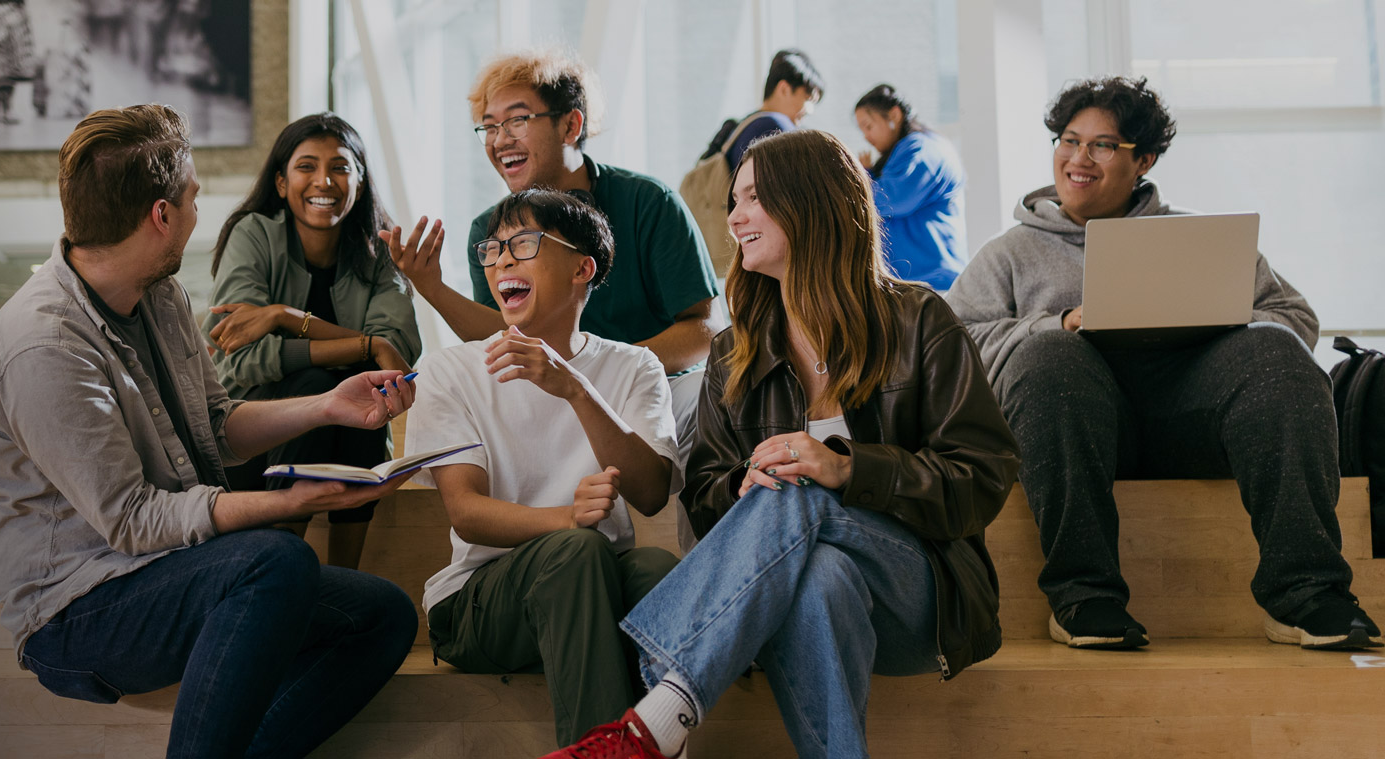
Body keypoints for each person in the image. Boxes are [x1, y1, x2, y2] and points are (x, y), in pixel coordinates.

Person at [552, 129, 1021, 759]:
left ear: (810, 202)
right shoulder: (734, 351)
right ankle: (671, 720)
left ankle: (658, 716)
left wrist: (845, 469)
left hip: (921, 592)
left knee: (797, 481)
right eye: (734, 204)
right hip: (804, 592)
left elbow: (983, 479)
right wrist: (746, 488)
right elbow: (706, 494)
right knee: (818, 570)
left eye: (752, 199)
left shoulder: (919, 321)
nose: (735, 217)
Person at [0, 104, 421, 759]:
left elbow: (216, 427)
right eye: (192, 198)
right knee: (276, 558)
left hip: (168, 570)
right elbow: (131, 518)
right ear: (161, 216)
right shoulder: (42, 345)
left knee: (382, 616)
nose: (197, 212)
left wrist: (329, 406)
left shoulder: (159, 297)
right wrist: (289, 504)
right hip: (78, 611)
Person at [946, 76, 1379, 651]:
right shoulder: (1008, 254)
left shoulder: (1198, 238)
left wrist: (1221, 319)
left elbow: (1293, 319)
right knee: (1049, 354)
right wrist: (1059, 323)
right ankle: (1084, 597)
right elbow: (954, 345)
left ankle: (1307, 596)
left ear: (1143, 159)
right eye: (1069, 140)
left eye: (1103, 145)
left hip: (1200, 425)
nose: (1079, 158)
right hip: (1070, 432)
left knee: (1274, 348)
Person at [408, 189, 683, 747]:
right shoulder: (450, 371)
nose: (502, 259)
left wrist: (576, 389)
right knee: (579, 550)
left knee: (656, 570)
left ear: (583, 268)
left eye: (524, 243)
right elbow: (466, 515)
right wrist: (568, 520)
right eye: (493, 248)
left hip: (588, 581)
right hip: (477, 602)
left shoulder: (632, 366)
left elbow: (652, 493)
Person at [389, 50, 717, 375]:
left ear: (571, 126)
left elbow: (705, 327)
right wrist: (432, 289)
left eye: (517, 120)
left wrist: (608, 372)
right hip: (549, 393)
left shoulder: (650, 202)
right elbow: (507, 336)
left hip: (658, 385)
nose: (500, 140)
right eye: (489, 127)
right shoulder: (488, 231)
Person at [205, 112, 421, 570]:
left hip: (350, 434)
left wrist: (286, 318)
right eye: (307, 166)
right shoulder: (254, 235)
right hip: (248, 439)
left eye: (341, 167)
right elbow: (239, 363)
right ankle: (278, 576)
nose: (324, 179)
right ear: (282, 183)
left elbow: (395, 352)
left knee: (368, 406)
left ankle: (345, 582)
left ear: (359, 183)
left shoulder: (380, 252)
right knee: (315, 386)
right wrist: (364, 347)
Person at [854, 84, 966, 289]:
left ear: (894, 115)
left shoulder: (921, 148)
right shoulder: (912, 148)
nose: (866, 137)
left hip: (932, 281)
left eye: (869, 126)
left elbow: (891, 199)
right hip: (917, 280)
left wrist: (860, 179)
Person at [708, 49, 826, 174]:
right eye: (808, 99)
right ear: (784, 89)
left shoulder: (748, 123)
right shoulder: (774, 126)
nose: (810, 110)